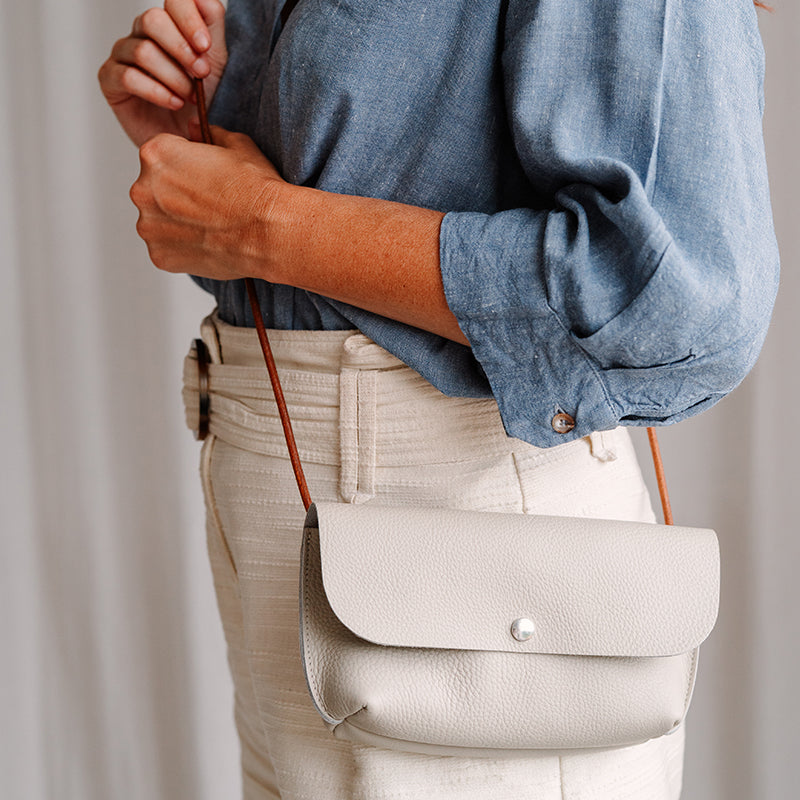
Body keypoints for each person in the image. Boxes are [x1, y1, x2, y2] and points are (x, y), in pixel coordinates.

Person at [99, 1, 778, 797]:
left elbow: (671, 296)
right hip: (277, 487)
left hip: (464, 516)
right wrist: (212, 137)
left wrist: (262, 223)